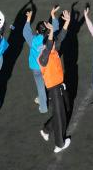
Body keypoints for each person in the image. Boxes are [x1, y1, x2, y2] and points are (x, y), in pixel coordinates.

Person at [40, 10, 72, 154]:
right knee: (60, 116)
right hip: (53, 89)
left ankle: (46, 129)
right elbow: (49, 46)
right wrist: (51, 31)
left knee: (66, 108)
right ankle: (59, 144)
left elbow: (61, 38)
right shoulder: (43, 57)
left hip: (60, 86)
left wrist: (67, 22)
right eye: (52, 44)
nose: (55, 45)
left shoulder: (53, 50)